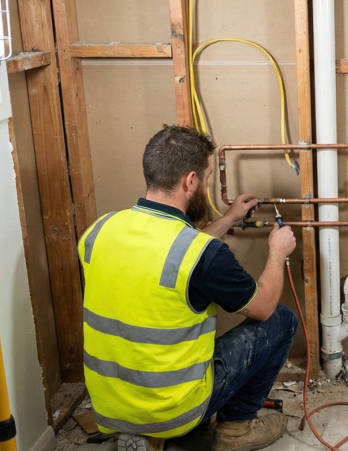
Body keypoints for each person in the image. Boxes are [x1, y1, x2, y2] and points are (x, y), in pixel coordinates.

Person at [78, 125, 299, 451]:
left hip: (109, 407)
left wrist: (230, 218)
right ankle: (236, 428)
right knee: (281, 320)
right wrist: (277, 252)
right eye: (207, 179)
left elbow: (172, 252)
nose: (206, 186)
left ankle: (144, 435)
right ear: (190, 181)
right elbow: (263, 305)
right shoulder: (206, 256)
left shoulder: (99, 231)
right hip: (175, 408)